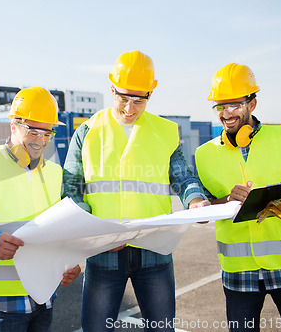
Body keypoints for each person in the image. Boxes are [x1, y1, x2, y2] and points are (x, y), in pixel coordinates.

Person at [62, 50, 210, 332]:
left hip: (154, 251)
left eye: (139, 100)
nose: (130, 108)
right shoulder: (87, 131)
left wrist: (196, 200)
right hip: (104, 252)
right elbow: (72, 191)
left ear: (150, 94)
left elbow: (183, 176)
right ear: (112, 88)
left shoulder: (165, 131)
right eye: (123, 98)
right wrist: (96, 230)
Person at [195, 63, 281, 332]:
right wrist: (225, 202)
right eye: (220, 107)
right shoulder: (204, 154)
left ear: (253, 103)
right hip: (239, 275)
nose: (226, 114)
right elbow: (202, 209)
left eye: (235, 105)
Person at [0, 86, 81, 332]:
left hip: (44, 294)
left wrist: (69, 261)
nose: (41, 140)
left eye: (48, 133)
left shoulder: (55, 173)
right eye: (33, 131)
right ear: (13, 125)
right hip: (2, 301)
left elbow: (61, 226)